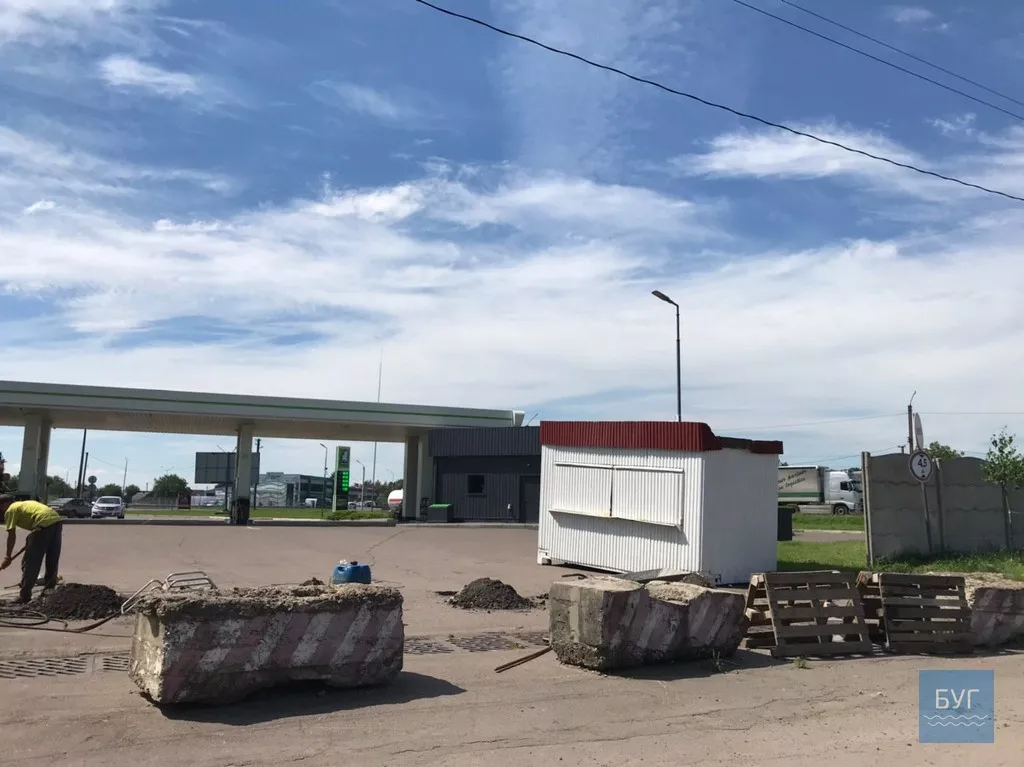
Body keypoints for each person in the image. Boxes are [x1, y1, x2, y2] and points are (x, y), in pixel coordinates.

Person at [0, 494, 63, 604]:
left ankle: (24, 597)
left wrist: (7, 557)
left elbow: (11, 535)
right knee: (52, 559)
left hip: (42, 524)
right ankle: (49, 594)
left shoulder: (11, 510)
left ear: (5, 503)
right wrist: (32, 539)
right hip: (56, 521)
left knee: (31, 562)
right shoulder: (25, 504)